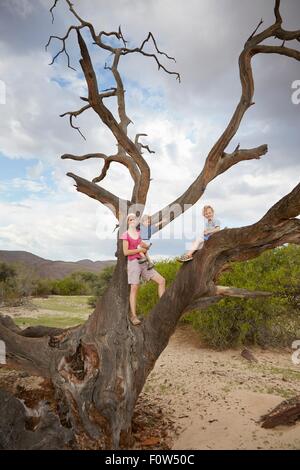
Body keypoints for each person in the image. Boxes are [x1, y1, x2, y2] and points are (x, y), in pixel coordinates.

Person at [121, 213, 166, 325]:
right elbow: (126, 252)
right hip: (133, 262)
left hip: (144, 262)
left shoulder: (138, 234)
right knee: (134, 287)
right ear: (128, 222)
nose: (132, 220)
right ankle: (134, 316)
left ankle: (164, 306)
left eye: (134, 219)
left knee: (162, 281)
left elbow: (142, 244)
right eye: (130, 219)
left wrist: (146, 247)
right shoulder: (125, 235)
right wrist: (139, 250)